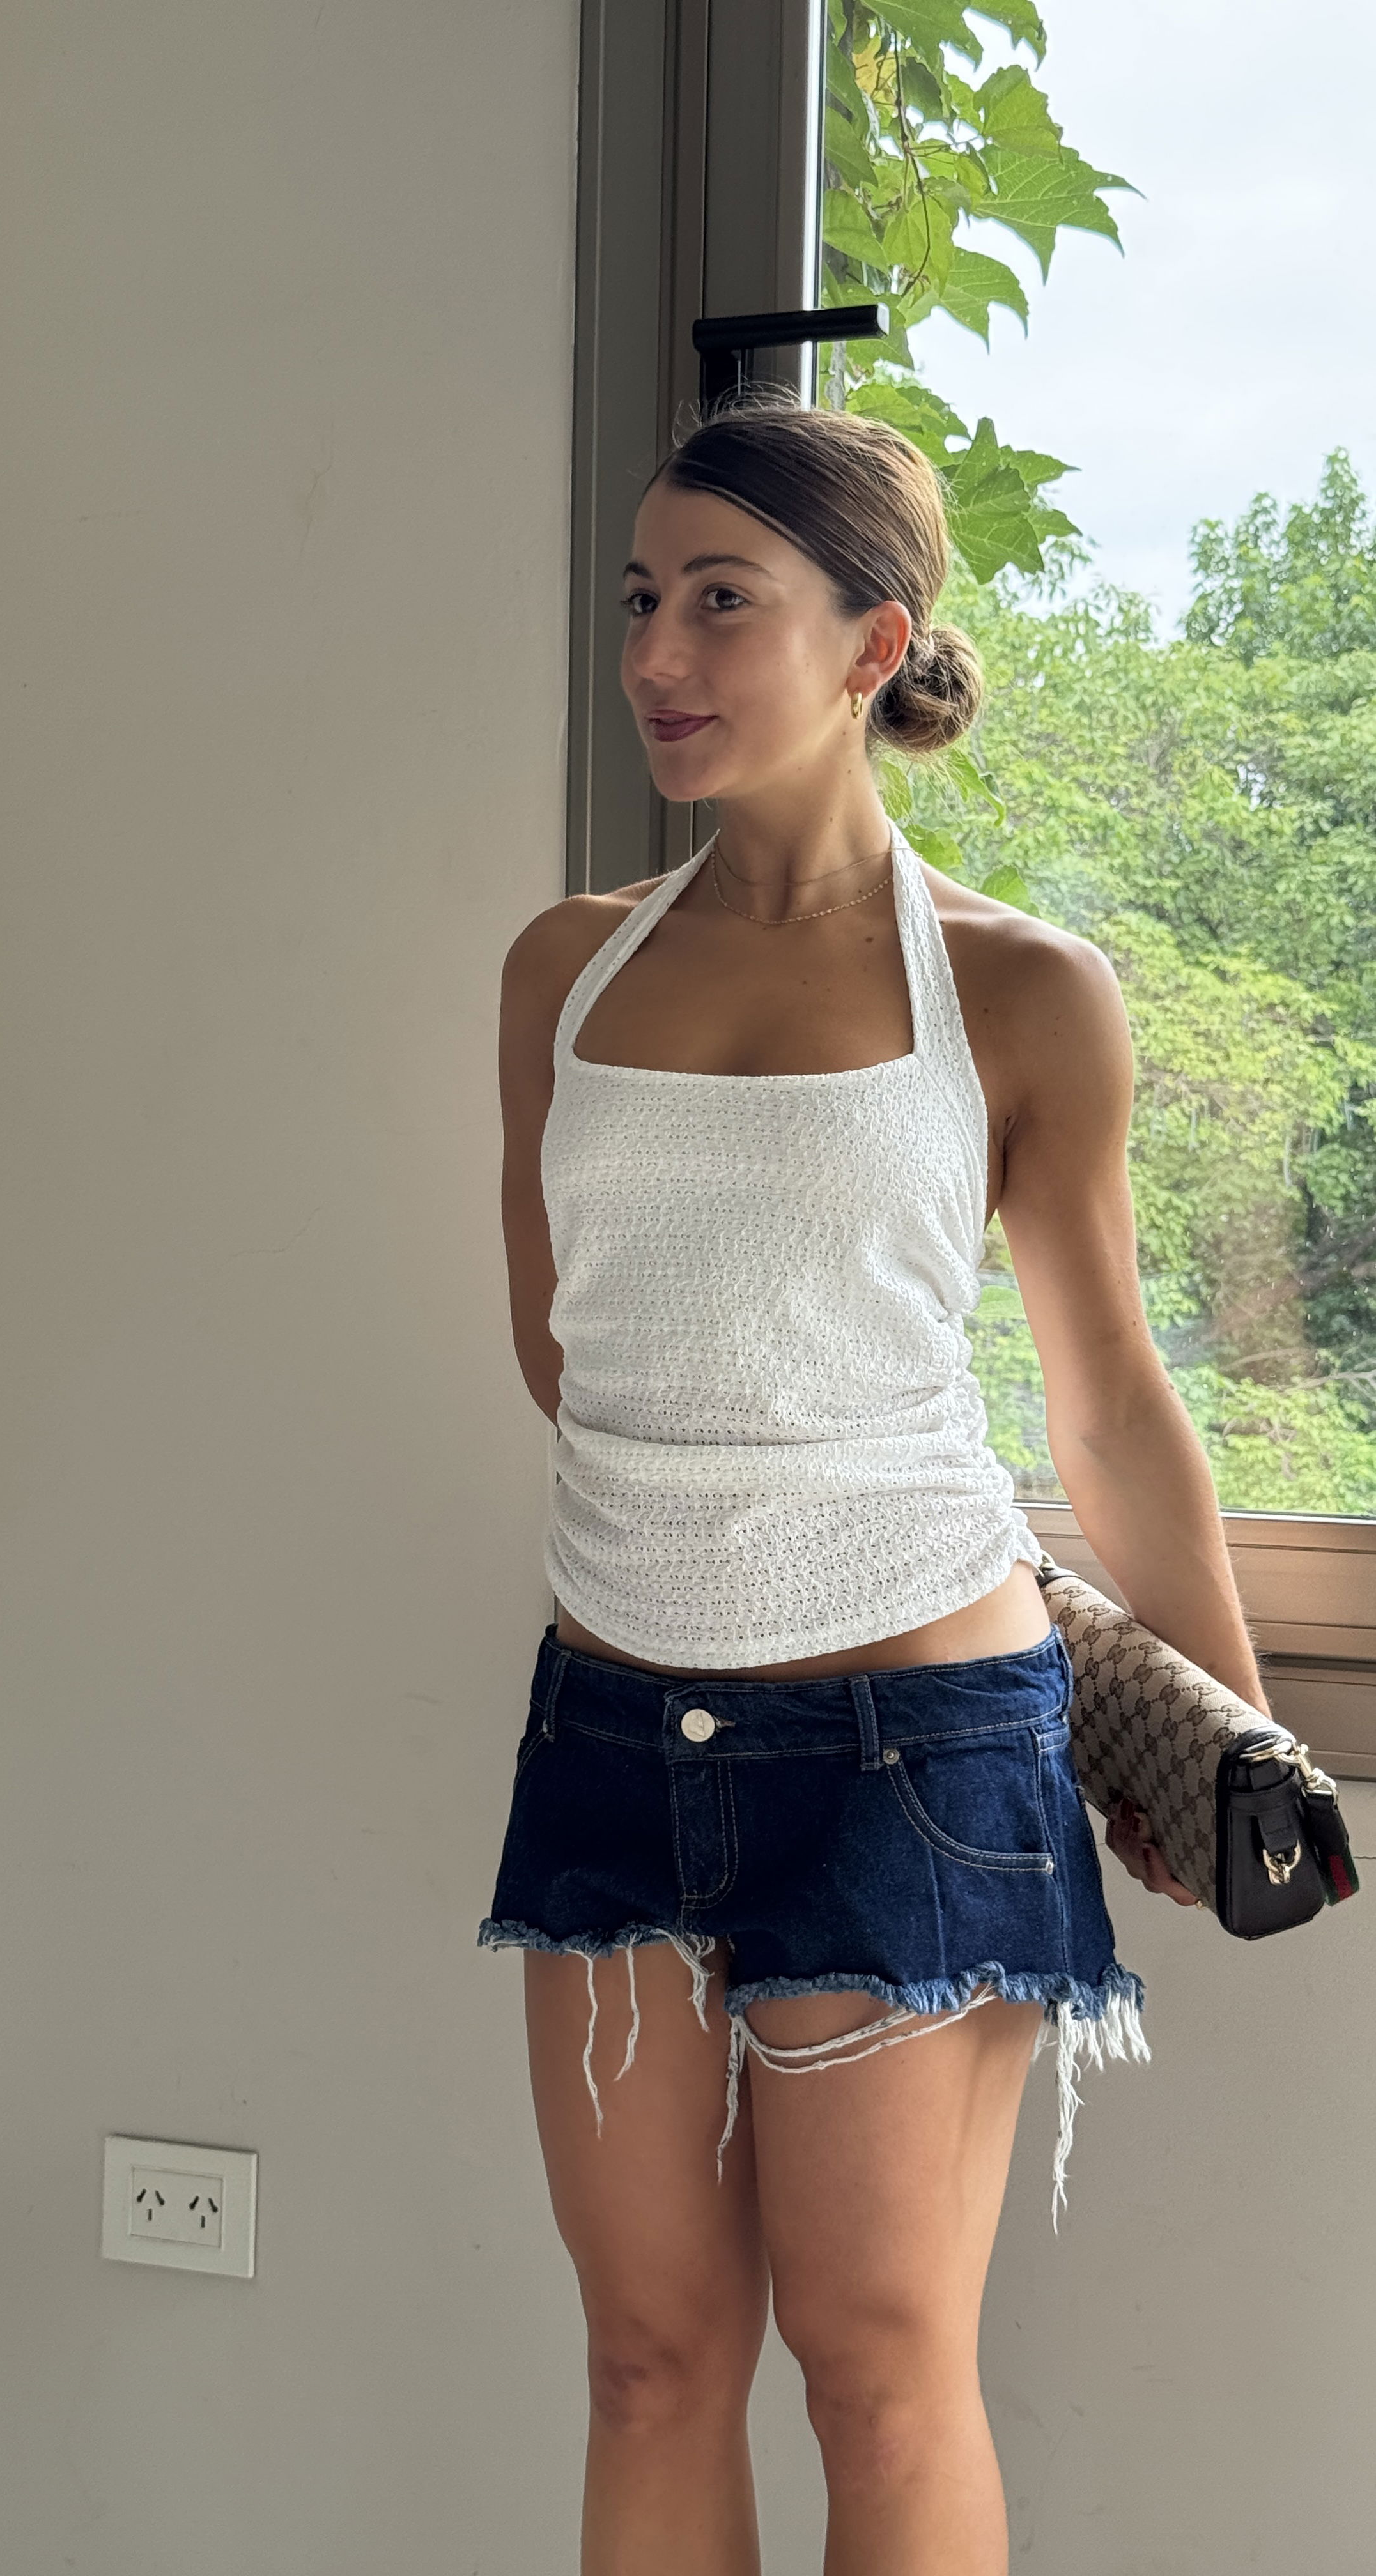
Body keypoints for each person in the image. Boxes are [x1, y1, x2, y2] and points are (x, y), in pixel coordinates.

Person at [478, 387, 1272, 2576]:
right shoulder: (562, 966)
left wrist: (1222, 1731)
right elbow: (570, 1351)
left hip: (914, 1748)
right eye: (641, 597)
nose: (657, 652)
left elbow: (1109, 1402)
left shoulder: (1023, 991)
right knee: (645, 2364)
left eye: (721, 601)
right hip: (612, 1728)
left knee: (878, 2371)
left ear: (870, 640)